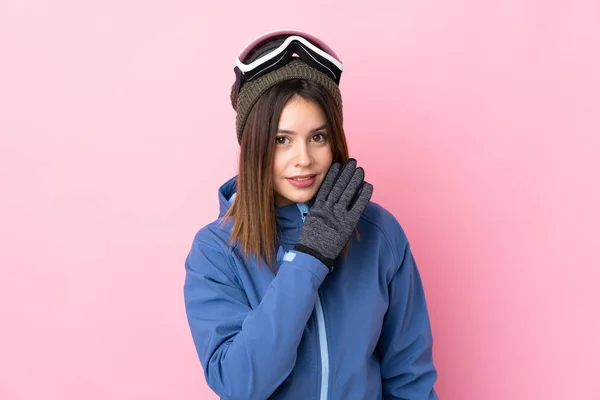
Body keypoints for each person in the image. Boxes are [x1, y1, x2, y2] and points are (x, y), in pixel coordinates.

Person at [183, 29, 438, 400]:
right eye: (281, 140)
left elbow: (409, 378)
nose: (303, 158)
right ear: (254, 145)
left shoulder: (380, 234)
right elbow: (239, 384)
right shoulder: (216, 250)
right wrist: (309, 258)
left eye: (317, 137)